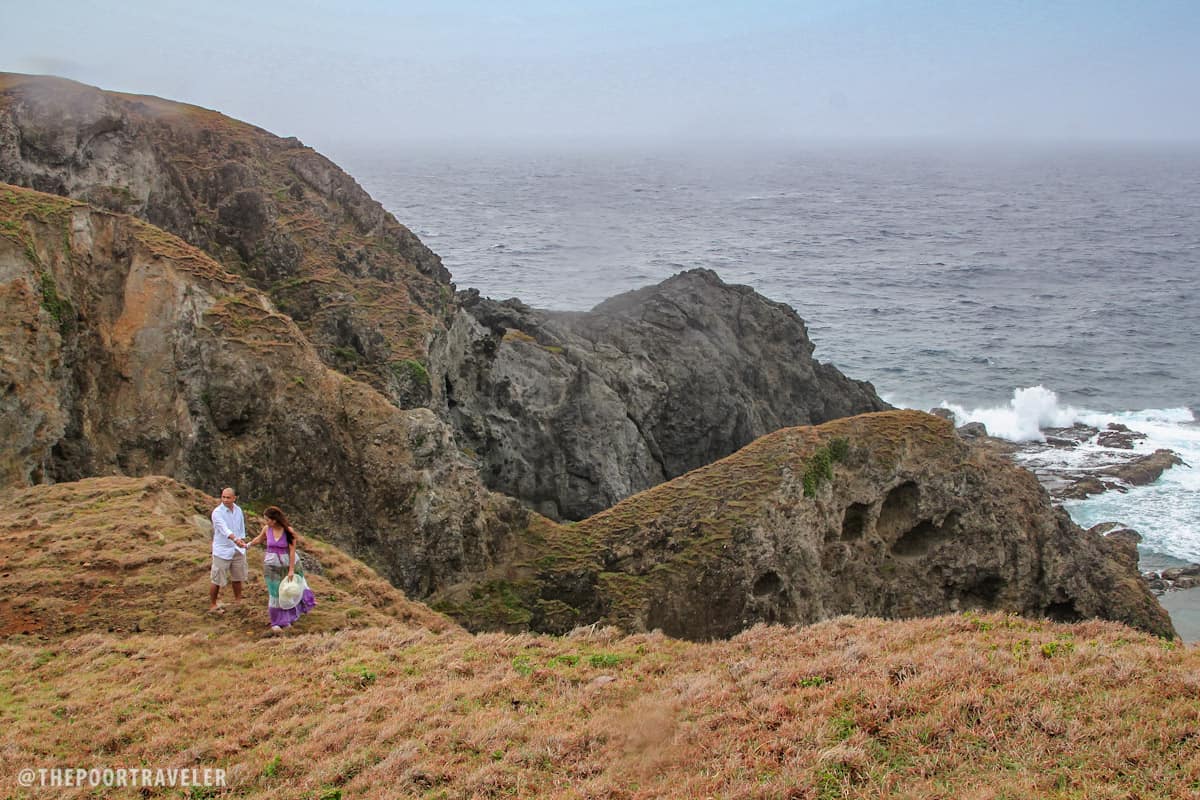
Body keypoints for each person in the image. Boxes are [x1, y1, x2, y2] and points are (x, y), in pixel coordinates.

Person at [245, 505, 316, 632]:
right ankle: (276, 622)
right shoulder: (267, 529)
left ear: (275, 520)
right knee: (275, 593)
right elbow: (260, 539)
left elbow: (292, 551)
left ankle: (286, 620)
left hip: (286, 564)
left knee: (287, 592)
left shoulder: (288, 531)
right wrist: (247, 545)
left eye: (268, 520)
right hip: (271, 565)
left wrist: (291, 570)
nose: (266, 522)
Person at [209, 487, 248, 613]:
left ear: (234, 498)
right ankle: (213, 604)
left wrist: (241, 541)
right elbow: (224, 529)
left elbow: (241, 527)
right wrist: (236, 539)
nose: (225, 500)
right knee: (217, 579)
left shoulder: (238, 510)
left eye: (228, 497)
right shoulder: (217, 512)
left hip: (237, 549)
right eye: (223, 497)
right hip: (222, 550)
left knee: (237, 577)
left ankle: (238, 601)